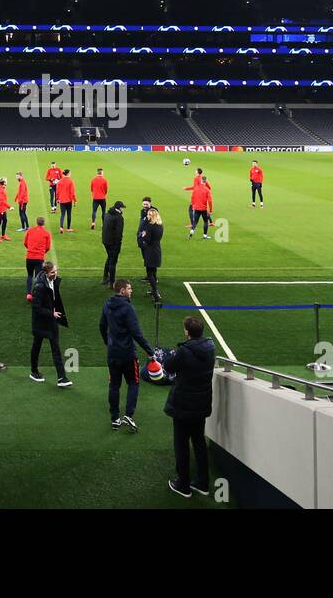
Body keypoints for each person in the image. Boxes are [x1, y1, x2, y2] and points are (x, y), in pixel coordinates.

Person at [163, 316, 216, 498]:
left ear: (187, 332)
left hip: (184, 404)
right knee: (199, 442)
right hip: (201, 403)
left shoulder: (184, 351)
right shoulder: (210, 347)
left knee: (181, 444)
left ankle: (183, 484)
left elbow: (168, 367)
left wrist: (172, 354)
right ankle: (203, 482)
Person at [99, 279, 153, 432]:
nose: (131, 291)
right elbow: (137, 333)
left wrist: (107, 342)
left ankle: (115, 418)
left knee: (114, 385)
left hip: (113, 353)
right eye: (129, 288)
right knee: (133, 383)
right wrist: (150, 352)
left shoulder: (107, 304)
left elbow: (102, 326)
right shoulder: (128, 308)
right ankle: (129, 415)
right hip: (128, 353)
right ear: (122, 290)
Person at [29, 261, 71, 387]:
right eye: (53, 272)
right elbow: (36, 307)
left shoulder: (52, 280)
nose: (56, 274)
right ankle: (34, 371)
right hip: (40, 322)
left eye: (56, 271)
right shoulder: (39, 286)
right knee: (37, 346)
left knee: (56, 348)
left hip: (51, 321)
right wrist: (51, 313)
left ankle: (61, 377)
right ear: (47, 273)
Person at [138, 206, 165, 303]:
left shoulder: (150, 226)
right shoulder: (160, 226)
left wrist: (143, 235)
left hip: (150, 251)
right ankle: (154, 291)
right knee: (153, 272)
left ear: (152, 216)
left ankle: (155, 293)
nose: (147, 216)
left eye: (149, 214)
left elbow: (147, 240)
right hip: (157, 250)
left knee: (150, 274)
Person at [23, 215, 53, 298]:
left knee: (29, 275)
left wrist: (30, 249)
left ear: (37, 222)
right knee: (37, 277)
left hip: (29, 257)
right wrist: (42, 252)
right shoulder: (46, 233)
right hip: (39, 258)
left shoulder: (30, 231)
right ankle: (35, 294)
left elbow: (25, 243)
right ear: (44, 223)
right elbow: (48, 247)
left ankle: (29, 294)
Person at [101, 200, 125, 285]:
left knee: (109, 258)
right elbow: (119, 233)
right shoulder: (119, 218)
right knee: (113, 262)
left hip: (105, 240)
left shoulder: (107, 214)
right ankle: (112, 282)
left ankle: (105, 277)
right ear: (120, 208)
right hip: (113, 243)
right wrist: (118, 243)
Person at [56, 168, 77, 233]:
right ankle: (68, 228)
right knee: (69, 213)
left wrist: (57, 199)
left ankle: (61, 227)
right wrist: (75, 200)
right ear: (68, 174)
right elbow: (72, 192)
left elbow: (57, 191)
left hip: (62, 200)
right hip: (68, 200)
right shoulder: (70, 181)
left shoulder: (60, 181)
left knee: (62, 214)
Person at [0, 176, 12, 242]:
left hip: (3, 208)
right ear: (3, 182)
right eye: (6, 181)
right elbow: (2, 200)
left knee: (5, 220)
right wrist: (9, 207)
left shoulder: (3, 188)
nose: (7, 182)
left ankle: (3, 235)